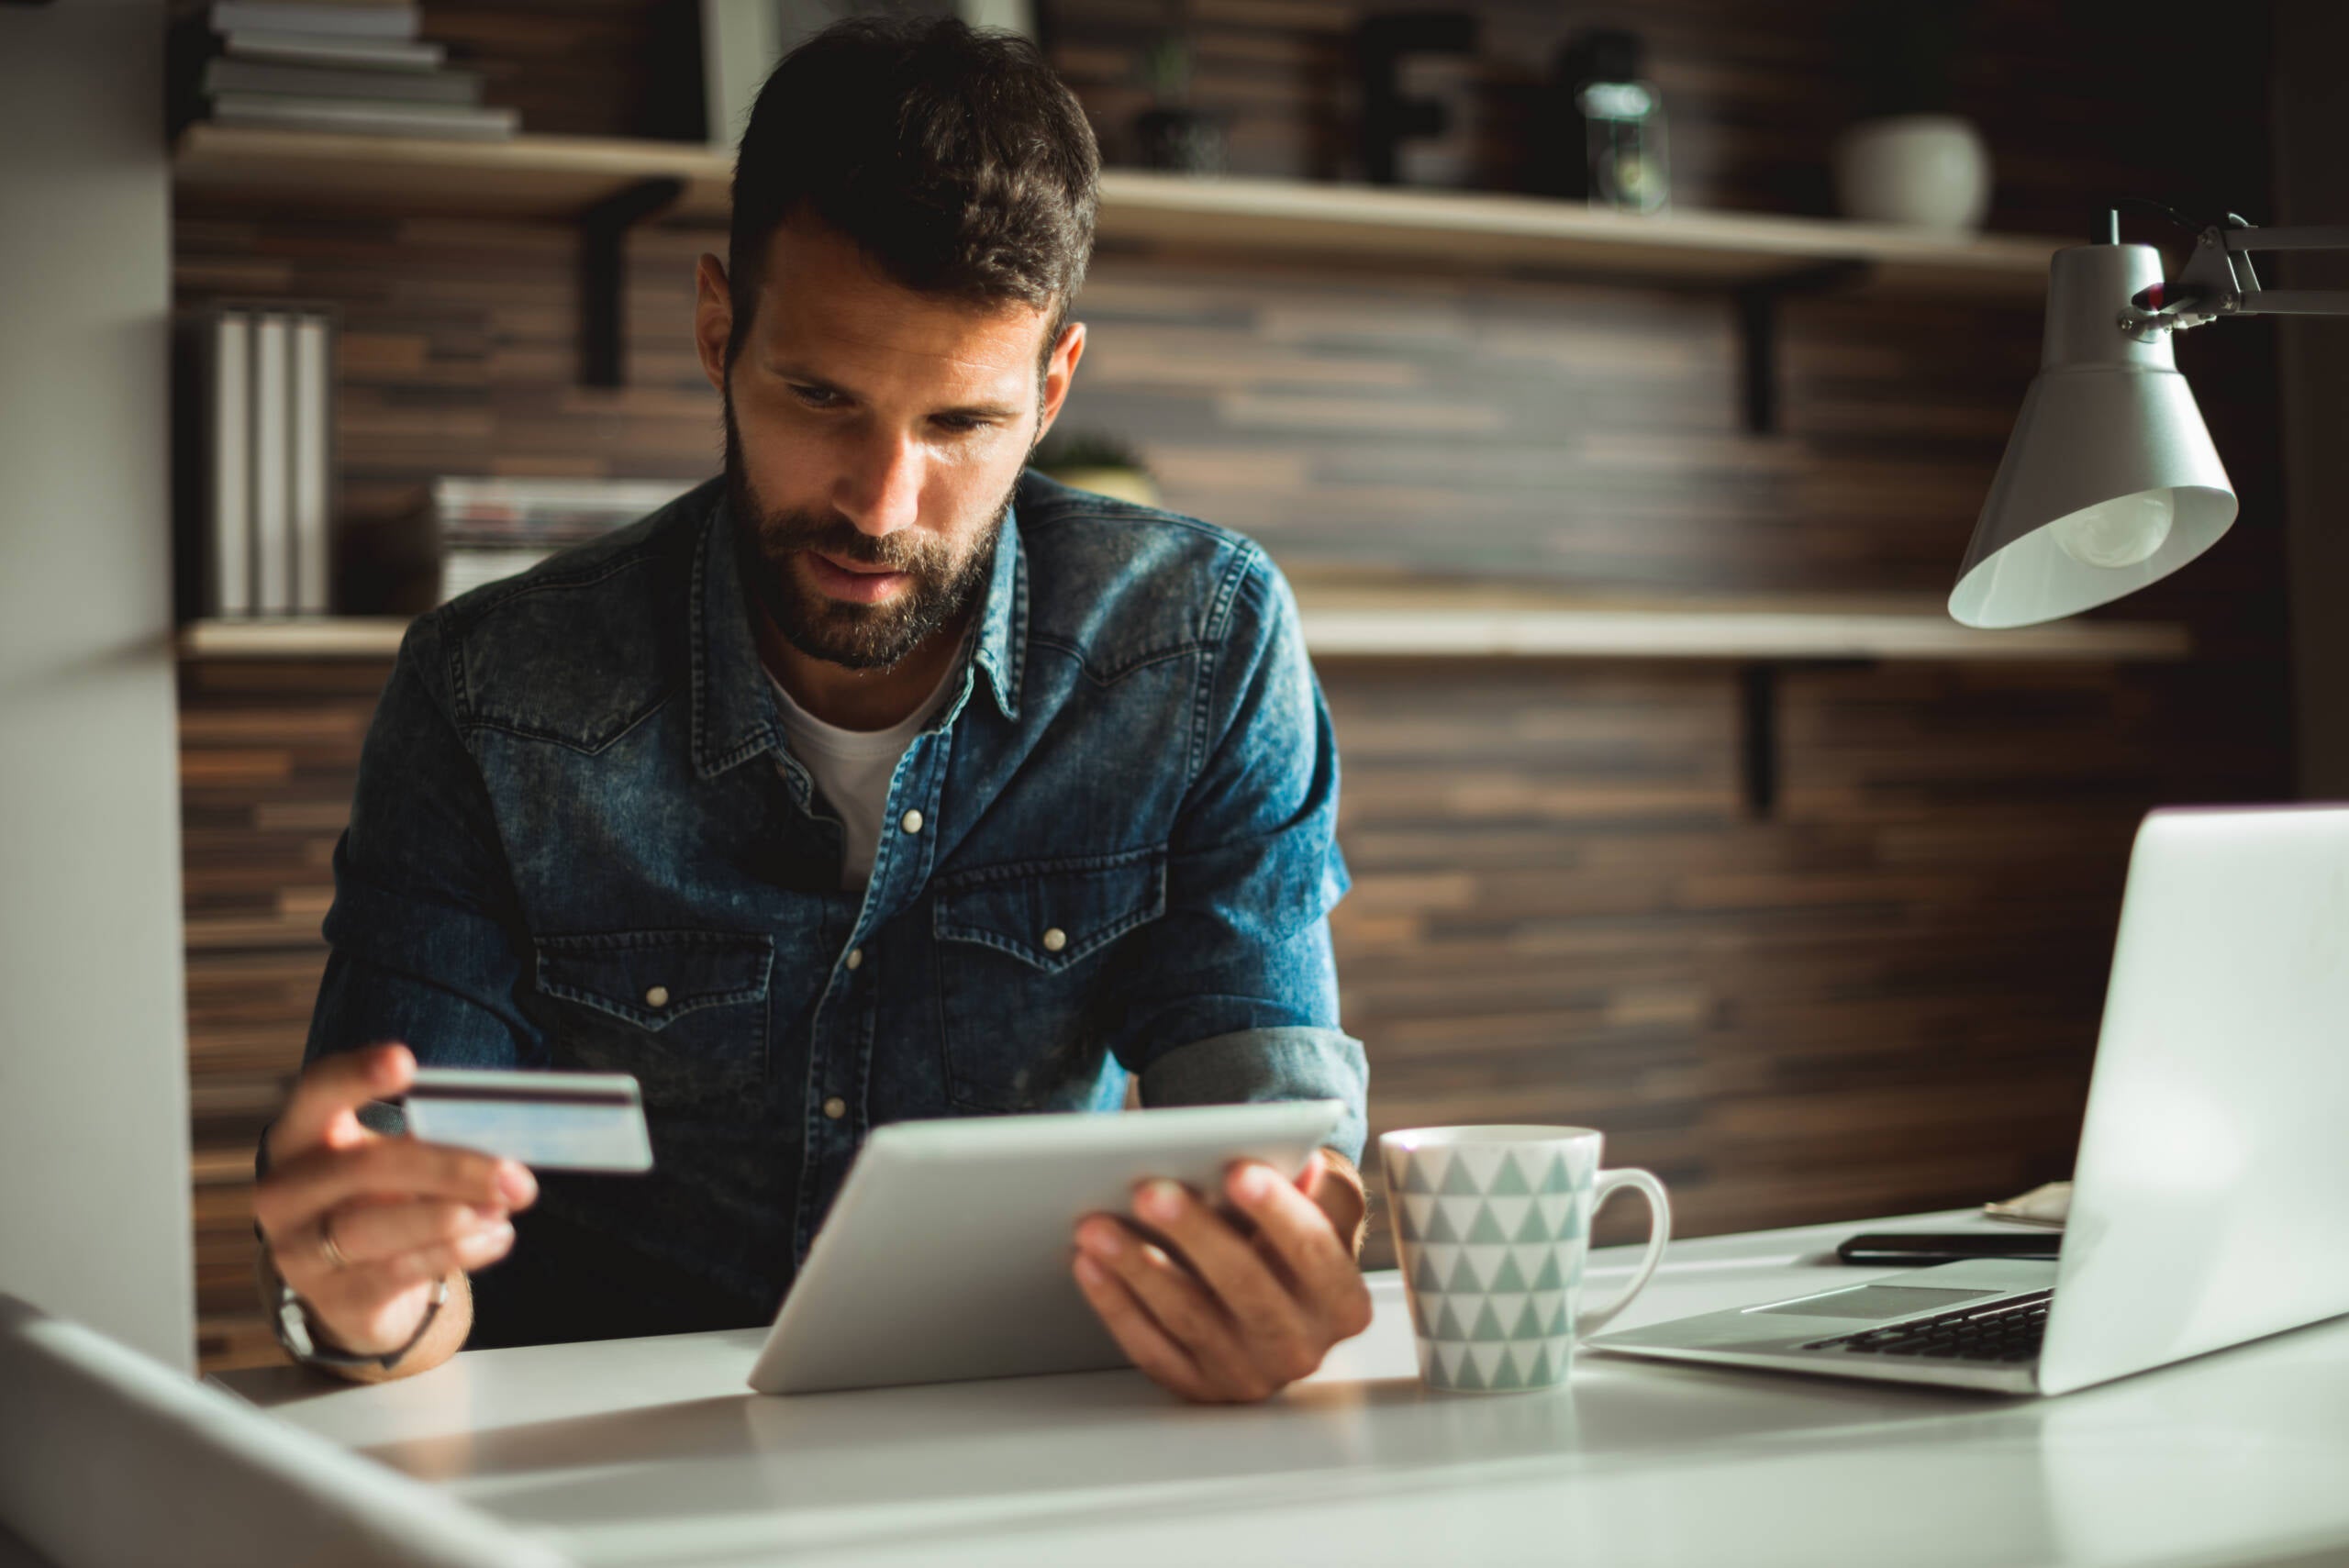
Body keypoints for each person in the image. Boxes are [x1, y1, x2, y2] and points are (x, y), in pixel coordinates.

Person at [250, 17, 1370, 1404]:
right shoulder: (490, 697)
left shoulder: (1199, 648)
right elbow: (393, 1259)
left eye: (960, 423)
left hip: (1013, 1447)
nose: (881, 505)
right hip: (603, 1483)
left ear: (1053, 389)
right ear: (721, 329)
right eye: (820, 396)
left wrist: (1282, 1266)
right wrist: (361, 1303)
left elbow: (1267, 1144)